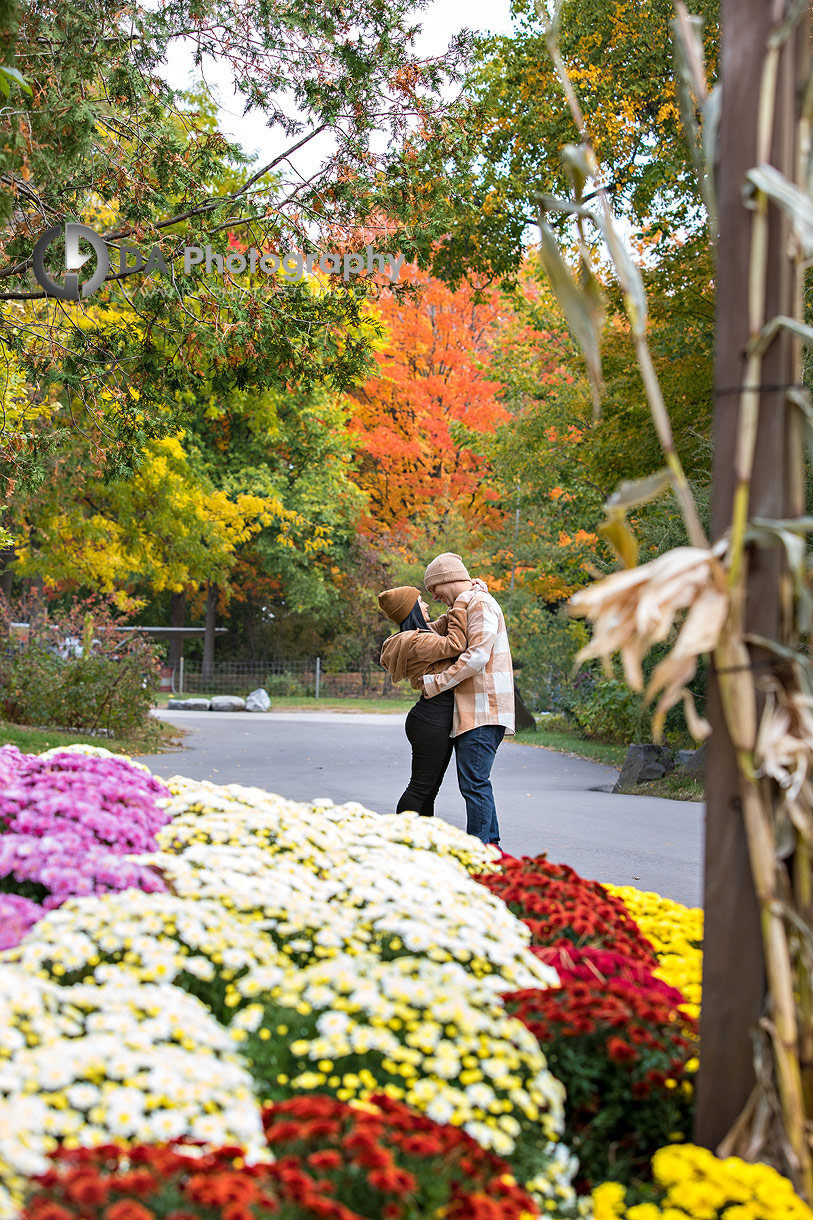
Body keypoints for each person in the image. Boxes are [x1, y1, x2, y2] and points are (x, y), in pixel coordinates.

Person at [421, 553, 514, 846]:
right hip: (475, 709)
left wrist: (436, 683)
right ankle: (490, 846)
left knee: (474, 781)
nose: (433, 596)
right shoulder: (469, 602)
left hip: (485, 709)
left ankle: (483, 849)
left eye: (433, 589)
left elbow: (477, 656)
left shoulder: (480, 603)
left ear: (445, 580)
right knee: (475, 782)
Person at [378, 585, 469, 818]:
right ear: (411, 609)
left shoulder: (418, 636)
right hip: (432, 721)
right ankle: (401, 838)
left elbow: (443, 624)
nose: (427, 603)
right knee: (420, 789)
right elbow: (456, 644)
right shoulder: (420, 642)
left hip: (432, 719)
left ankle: (421, 842)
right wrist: (459, 604)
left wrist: (461, 595)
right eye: (420, 601)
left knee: (428, 791)